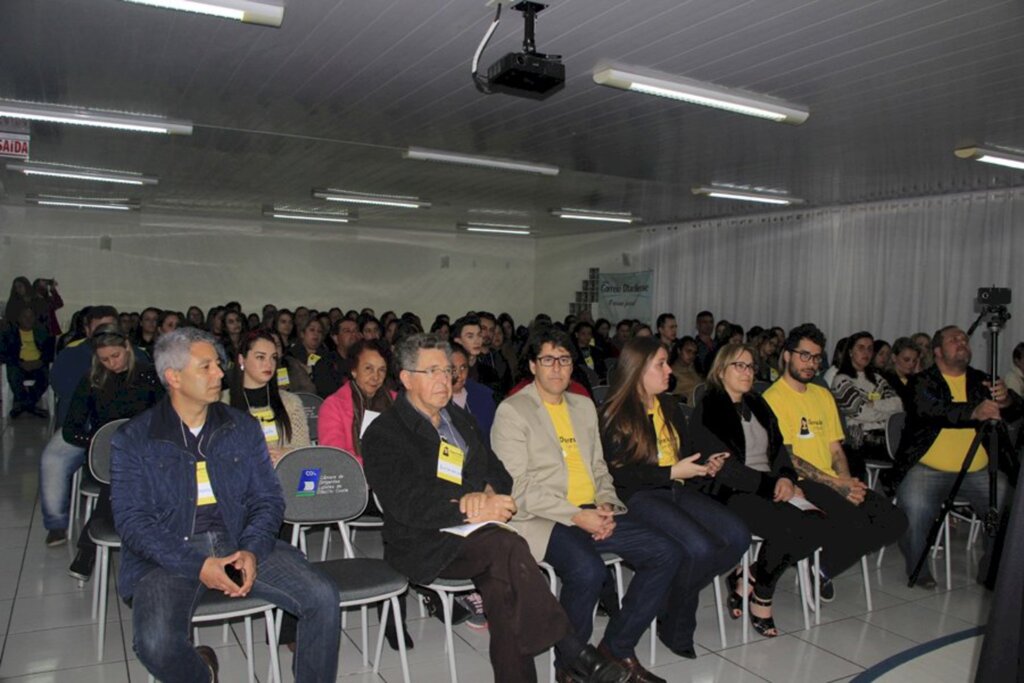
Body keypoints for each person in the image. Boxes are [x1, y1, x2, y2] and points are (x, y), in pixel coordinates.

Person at [362, 333, 629, 683]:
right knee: (508, 547)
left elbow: (500, 474)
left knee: (504, 587)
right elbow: (405, 503)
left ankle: (562, 660)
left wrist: (487, 492)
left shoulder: (459, 419)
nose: (445, 379)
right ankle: (575, 651)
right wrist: (467, 506)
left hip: (482, 534)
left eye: (447, 370)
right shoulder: (384, 432)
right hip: (424, 540)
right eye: (432, 372)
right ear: (407, 378)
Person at [110, 327, 340, 682]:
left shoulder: (241, 427)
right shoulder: (136, 438)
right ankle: (202, 673)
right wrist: (198, 564)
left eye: (218, 364)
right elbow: (133, 522)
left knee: (322, 597)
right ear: (173, 376)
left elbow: (267, 499)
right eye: (206, 367)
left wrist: (251, 549)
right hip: (168, 555)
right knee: (154, 642)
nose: (219, 373)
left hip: (238, 540)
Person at [492, 326, 681, 683]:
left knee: (666, 552)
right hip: (543, 517)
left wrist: (607, 504)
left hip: (592, 509)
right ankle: (571, 669)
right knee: (588, 571)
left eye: (564, 360)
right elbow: (519, 488)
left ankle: (617, 648)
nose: (557, 368)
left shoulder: (582, 406)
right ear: (532, 366)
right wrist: (577, 515)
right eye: (547, 360)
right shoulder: (513, 411)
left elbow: (599, 468)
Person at [599, 337, 748, 652]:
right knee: (700, 548)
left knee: (737, 536)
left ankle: (667, 599)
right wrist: (670, 473)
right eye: (661, 364)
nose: (670, 370)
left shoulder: (669, 405)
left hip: (676, 488)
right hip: (639, 495)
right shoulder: (615, 413)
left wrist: (705, 465)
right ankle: (677, 626)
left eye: (667, 362)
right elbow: (618, 475)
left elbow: (686, 452)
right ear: (638, 370)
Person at [689, 343, 827, 636]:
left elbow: (779, 452)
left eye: (751, 366)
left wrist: (788, 478)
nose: (748, 372)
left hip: (767, 485)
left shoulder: (758, 403)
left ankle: (749, 578)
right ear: (721, 370)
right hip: (728, 491)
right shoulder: (709, 407)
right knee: (786, 528)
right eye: (739, 365)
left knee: (816, 523)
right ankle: (763, 596)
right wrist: (772, 485)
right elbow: (726, 468)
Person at [763, 324, 908, 599]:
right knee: (857, 521)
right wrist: (836, 484)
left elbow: (836, 450)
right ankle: (816, 557)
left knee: (894, 520)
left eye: (816, 358)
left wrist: (846, 481)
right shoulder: (771, 399)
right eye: (804, 355)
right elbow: (788, 458)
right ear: (786, 355)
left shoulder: (822, 395)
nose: (811, 364)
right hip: (800, 483)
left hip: (832, 479)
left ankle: (822, 569)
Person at [894, 326, 1022, 589]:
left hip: (979, 470)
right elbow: (930, 409)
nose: (962, 342)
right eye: (954, 339)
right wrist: (973, 412)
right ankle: (918, 567)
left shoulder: (983, 380)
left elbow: (1016, 412)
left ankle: (992, 570)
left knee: (1006, 503)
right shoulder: (922, 381)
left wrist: (1007, 400)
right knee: (914, 506)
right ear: (938, 351)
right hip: (928, 468)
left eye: (964, 339)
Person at [62, 325, 164, 580]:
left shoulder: (149, 376)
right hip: (107, 456)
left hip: (146, 453)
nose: (111, 364)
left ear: (128, 348)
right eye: (104, 359)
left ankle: (88, 550)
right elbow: (71, 429)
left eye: (116, 356)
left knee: (127, 480)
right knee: (121, 479)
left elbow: (166, 417)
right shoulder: (92, 381)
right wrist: (97, 441)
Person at [38, 305, 119, 546]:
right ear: (86, 329)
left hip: (121, 430)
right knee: (52, 460)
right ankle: (56, 525)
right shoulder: (71, 355)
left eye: (111, 328)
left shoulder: (134, 354)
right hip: (81, 429)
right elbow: (67, 393)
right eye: (99, 329)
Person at [223, 330, 309, 466]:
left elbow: (305, 451)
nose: (269, 364)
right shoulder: (221, 403)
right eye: (260, 357)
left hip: (284, 476)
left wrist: (287, 454)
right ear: (241, 359)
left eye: (273, 357)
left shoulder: (290, 402)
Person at [829, 331, 904, 478]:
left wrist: (873, 403)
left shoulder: (878, 379)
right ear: (850, 352)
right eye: (861, 348)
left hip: (886, 436)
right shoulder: (841, 380)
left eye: (870, 348)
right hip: (860, 440)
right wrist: (884, 413)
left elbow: (898, 404)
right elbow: (861, 412)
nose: (866, 353)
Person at [318, 339, 395, 461]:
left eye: (382, 370)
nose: (376, 377)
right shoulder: (333, 406)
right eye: (368, 368)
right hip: (353, 475)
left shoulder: (396, 401)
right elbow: (335, 458)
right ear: (354, 370)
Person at [1, 307, 53, 418]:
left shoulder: (42, 332)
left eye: (31, 317)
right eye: (25, 317)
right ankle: (31, 406)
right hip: (19, 365)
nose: (28, 320)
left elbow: (50, 351)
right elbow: (4, 353)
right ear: (19, 319)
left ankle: (24, 406)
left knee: (45, 376)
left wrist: (40, 361)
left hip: (38, 364)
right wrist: (20, 363)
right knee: (14, 374)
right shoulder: (10, 334)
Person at [449, 342, 497, 444]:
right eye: (453, 369)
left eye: (463, 368)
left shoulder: (484, 397)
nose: (459, 375)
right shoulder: (433, 401)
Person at [313, 318, 360, 398]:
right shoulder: (325, 363)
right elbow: (329, 395)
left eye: (356, 331)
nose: (353, 334)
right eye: (347, 331)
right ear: (335, 338)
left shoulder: (365, 360)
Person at [882, 336, 922, 407]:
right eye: (906, 360)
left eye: (914, 361)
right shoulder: (885, 379)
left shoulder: (912, 378)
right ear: (894, 358)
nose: (911, 364)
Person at [668, 336, 701, 403]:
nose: (691, 355)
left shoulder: (695, 369)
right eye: (688, 351)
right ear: (679, 350)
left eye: (694, 353)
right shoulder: (671, 373)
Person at [694, 311, 715, 376]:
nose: (709, 325)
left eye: (711, 322)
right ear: (698, 325)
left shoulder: (717, 345)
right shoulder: (693, 345)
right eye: (705, 322)